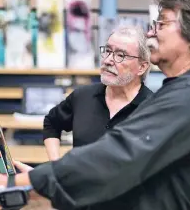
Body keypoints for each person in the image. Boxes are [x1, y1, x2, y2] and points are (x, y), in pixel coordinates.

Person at [0, 0, 190, 210]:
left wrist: (12, 185)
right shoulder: (187, 93)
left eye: (162, 23)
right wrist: (43, 180)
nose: (151, 32)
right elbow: (120, 175)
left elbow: (113, 160)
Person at [43, 25, 153, 161]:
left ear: (142, 67)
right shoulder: (82, 97)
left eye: (120, 55)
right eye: (107, 51)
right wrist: (55, 166)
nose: (107, 60)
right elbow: (51, 123)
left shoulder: (153, 110)